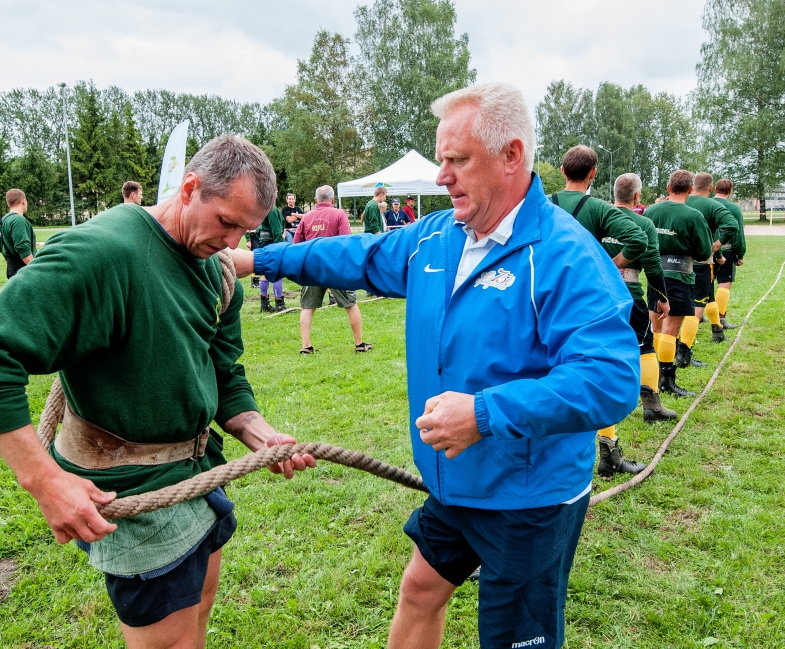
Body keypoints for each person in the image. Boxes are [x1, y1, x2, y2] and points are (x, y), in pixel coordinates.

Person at [232, 82, 638, 649]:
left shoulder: (563, 256)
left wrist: (483, 413)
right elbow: (357, 255)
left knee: (514, 638)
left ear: (512, 155)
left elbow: (609, 379)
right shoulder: (437, 238)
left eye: (457, 160)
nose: (442, 175)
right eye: (441, 158)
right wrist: (254, 258)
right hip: (455, 483)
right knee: (420, 592)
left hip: (527, 497)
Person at [0, 135, 316, 649]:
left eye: (244, 231)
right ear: (190, 188)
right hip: (134, 494)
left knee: (201, 610)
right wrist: (45, 482)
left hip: (199, 475)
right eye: (227, 222)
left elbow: (223, 372)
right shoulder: (102, 253)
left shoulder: (215, 268)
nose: (232, 243)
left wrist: (259, 432)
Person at [549, 146, 650, 478]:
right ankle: (609, 453)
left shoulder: (543, 203)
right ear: (592, 175)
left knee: (546, 374)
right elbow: (637, 239)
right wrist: (610, 264)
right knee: (598, 373)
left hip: (546, 301)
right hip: (587, 302)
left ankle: (553, 456)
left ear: (563, 171)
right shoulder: (599, 208)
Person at [606, 174, 677, 424]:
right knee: (644, 346)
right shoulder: (643, 223)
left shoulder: (598, 215)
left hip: (599, 295)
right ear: (637, 197)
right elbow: (653, 266)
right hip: (631, 295)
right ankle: (652, 407)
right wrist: (662, 297)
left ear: (615, 194)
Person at [643, 170, 713, 397]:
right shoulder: (693, 216)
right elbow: (704, 251)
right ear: (690, 190)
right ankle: (666, 380)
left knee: (656, 327)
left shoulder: (651, 211)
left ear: (668, 187)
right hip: (680, 277)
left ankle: (652, 378)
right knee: (671, 331)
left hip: (655, 275)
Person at [290, 185, 372, 354]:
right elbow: (347, 242)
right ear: (333, 200)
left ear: (315, 201)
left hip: (312, 267)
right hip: (335, 267)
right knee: (350, 304)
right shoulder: (339, 214)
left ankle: (306, 346)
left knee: (307, 307)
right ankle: (359, 344)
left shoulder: (306, 217)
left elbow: (296, 245)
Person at [677, 172, 739, 371]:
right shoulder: (712, 205)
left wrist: (718, 253)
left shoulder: (682, 202)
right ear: (710, 189)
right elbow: (731, 226)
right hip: (701, 263)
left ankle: (717, 330)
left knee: (709, 296)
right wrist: (717, 245)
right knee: (697, 307)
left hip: (676, 262)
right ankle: (684, 350)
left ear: (692, 186)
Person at [712, 178, 746, 329]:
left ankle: (697, 315)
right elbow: (738, 233)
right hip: (727, 250)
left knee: (704, 284)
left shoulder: (707, 204)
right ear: (730, 191)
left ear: (714, 189)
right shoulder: (733, 208)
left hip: (706, 250)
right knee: (724, 284)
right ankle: (720, 318)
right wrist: (740, 254)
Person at [0, 189, 36, 279]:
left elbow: (2, 249)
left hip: (11, 269)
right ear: (23, 201)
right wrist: (36, 269)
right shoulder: (18, 220)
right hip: (24, 269)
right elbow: (23, 248)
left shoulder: (1, 222)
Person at [256, 201, 286, 312]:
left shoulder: (261, 207)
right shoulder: (272, 209)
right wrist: (281, 245)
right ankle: (280, 304)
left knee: (265, 274)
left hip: (263, 243)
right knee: (277, 273)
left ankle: (264, 305)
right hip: (272, 244)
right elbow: (276, 231)